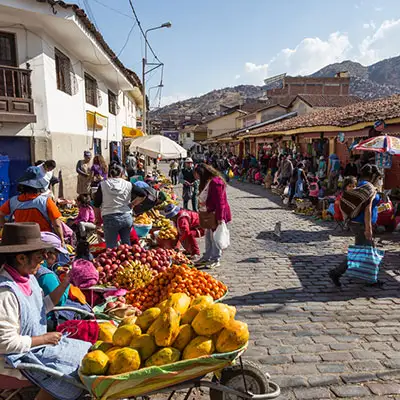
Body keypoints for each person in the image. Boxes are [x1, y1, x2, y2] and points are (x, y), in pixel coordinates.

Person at [0, 222, 91, 400]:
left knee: (88, 353)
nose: (44, 258)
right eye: (40, 255)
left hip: (33, 350)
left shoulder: (28, 278)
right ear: (21, 258)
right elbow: (4, 343)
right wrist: (43, 339)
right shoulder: (5, 293)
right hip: (10, 362)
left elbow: (41, 307)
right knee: (73, 373)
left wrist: (65, 283)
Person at [329, 164, 382, 287]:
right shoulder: (368, 188)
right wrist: (368, 229)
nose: (379, 180)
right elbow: (367, 210)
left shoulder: (360, 185)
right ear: (373, 176)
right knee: (362, 252)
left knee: (368, 251)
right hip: (362, 225)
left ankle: (371, 278)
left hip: (357, 223)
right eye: (378, 178)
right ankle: (337, 272)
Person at [0, 182, 65, 245]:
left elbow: (1, 214)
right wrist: (62, 240)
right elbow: (57, 224)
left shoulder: (12, 201)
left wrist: (5, 227)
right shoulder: (45, 201)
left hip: (21, 240)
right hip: (43, 239)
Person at [195, 163, 231, 268]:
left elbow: (220, 202)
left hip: (216, 214)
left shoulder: (216, 182)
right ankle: (207, 256)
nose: (196, 177)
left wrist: (220, 218)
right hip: (209, 213)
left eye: (198, 175)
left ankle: (216, 258)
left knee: (215, 237)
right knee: (208, 236)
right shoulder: (209, 181)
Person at [93, 164, 134, 249]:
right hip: (126, 217)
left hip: (110, 218)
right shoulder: (128, 184)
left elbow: (96, 204)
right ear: (121, 173)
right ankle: (129, 261)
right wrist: (133, 204)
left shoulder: (103, 184)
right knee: (127, 245)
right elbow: (143, 194)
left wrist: (98, 220)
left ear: (109, 174)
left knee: (111, 248)